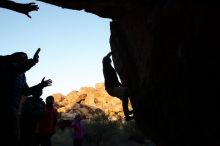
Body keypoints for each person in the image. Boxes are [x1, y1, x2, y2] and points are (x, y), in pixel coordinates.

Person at [0, 48, 52, 146]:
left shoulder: (22, 76)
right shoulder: (6, 66)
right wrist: (32, 62)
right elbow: (18, 67)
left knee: (13, 136)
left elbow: (26, 91)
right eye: (22, 56)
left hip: (13, 107)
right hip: (5, 106)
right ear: (14, 56)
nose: (25, 59)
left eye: (26, 58)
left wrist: (41, 85)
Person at [102, 52, 134, 121]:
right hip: (111, 89)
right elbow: (106, 58)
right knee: (125, 91)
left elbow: (116, 80)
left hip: (113, 88)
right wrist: (112, 52)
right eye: (109, 59)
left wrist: (121, 85)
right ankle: (127, 115)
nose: (110, 60)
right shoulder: (106, 67)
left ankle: (127, 112)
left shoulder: (110, 68)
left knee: (125, 97)